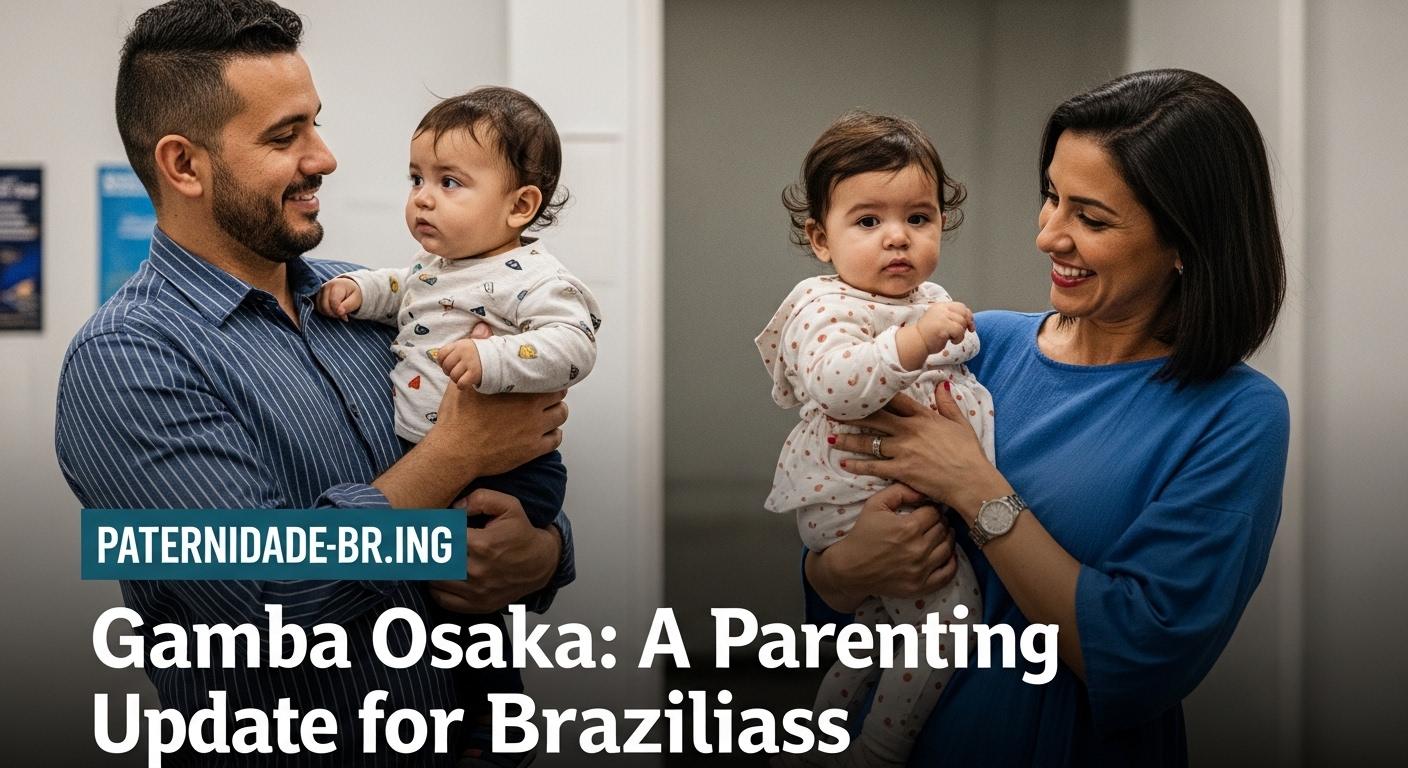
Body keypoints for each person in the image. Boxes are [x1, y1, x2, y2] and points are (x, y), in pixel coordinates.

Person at [54, 1, 570, 764]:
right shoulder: (127, 360)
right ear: (184, 164)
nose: (325, 156)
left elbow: (494, 497)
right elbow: (265, 604)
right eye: (284, 135)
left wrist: (545, 554)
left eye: (315, 124)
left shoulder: (366, 303)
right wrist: (453, 454)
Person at [807, 69, 1290, 766]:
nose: (1049, 236)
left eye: (1090, 219)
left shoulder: (1236, 417)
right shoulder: (980, 344)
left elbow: (1141, 656)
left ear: (1186, 244)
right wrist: (844, 568)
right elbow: (838, 571)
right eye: (1051, 198)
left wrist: (976, 490)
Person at [314, 84, 601, 764]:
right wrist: (361, 291)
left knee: (471, 611)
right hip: (449, 470)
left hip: (514, 472)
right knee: (450, 609)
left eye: (450, 182)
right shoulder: (431, 270)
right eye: (416, 178)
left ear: (520, 206)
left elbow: (575, 344)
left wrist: (494, 358)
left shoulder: (531, 276)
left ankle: (495, 722)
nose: (423, 196)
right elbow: (399, 288)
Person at [756, 110, 991, 767]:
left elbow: (964, 346)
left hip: (886, 493)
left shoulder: (924, 297)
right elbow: (838, 385)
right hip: (853, 497)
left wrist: (941, 331)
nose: (898, 239)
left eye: (918, 219)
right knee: (948, 620)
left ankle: (816, 733)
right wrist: (918, 340)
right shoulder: (821, 305)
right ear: (819, 237)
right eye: (868, 221)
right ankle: (883, 748)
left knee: (879, 628)